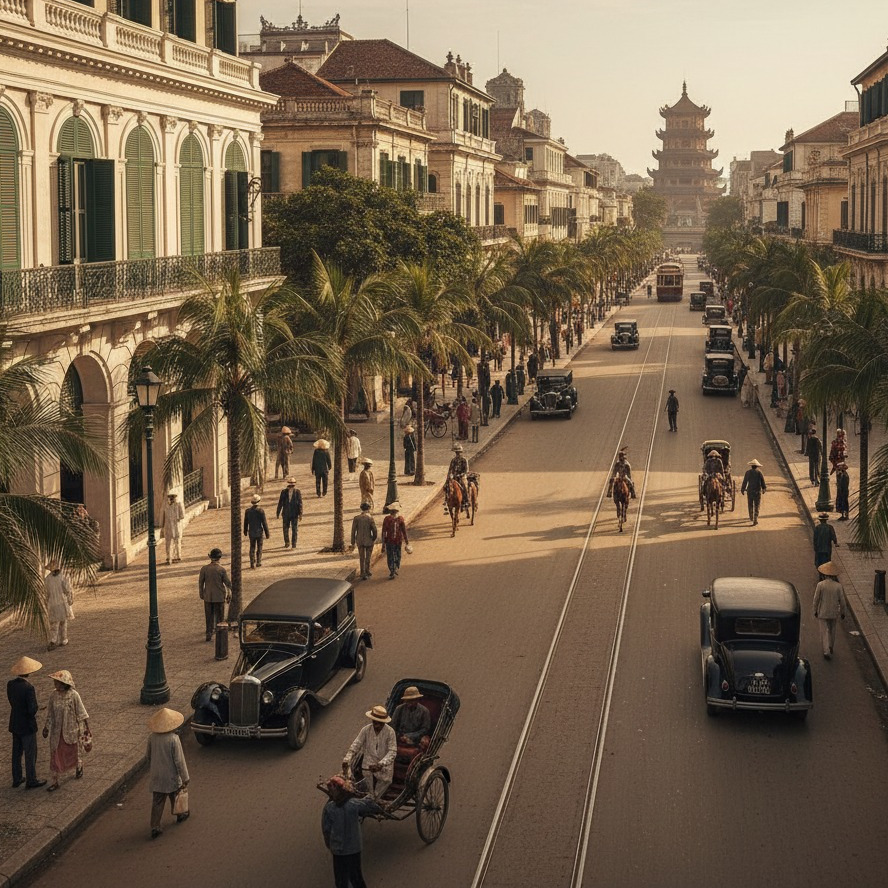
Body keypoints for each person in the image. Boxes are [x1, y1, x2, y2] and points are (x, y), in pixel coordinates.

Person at [321, 774, 382, 888]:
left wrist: (329, 844)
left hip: (338, 849)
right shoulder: (354, 805)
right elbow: (372, 807)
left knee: (340, 879)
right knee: (356, 877)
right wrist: (371, 799)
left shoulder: (329, 808)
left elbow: (326, 829)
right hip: (354, 848)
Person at [42, 669, 90, 791]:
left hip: (71, 731)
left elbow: (82, 713)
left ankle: (79, 766)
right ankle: (55, 781)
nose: (55, 684)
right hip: (57, 733)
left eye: (57, 682)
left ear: (64, 684)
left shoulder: (74, 695)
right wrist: (46, 727)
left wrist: (86, 729)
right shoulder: (53, 695)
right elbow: (50, 714)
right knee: (55, 756)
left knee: (74, 751)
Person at [147, 708, 190, 839]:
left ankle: (155, 826)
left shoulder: (152, 737)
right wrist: (185, 777)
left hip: (157, 775)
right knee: (175, 794)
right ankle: (180, 814)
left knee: (158, 801)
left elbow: (148, 756)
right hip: (170, 774)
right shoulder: (173, 739)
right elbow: (179, 760)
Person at [343, 705, 397, 800]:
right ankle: (371, 797)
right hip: (368, 763)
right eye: (375, 723)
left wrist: (381, 764)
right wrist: (347, 758)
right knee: (366, 782)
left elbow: (392, 751)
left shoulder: (390, 732)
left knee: (386, 780)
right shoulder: (366, 730)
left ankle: (375, 798)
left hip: (384, 764)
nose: (377, 726)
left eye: (380, 723)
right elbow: (356, 745)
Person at [8, 656, 46, 789]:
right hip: (27, 726)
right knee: (30, 754)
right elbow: (32, 709)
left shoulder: (10, 685)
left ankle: (17, 778)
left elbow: (12, 702)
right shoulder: (29, 688)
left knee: (16, 753)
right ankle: (31, 779)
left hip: (15, 723)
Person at [813, 562, 845, 659]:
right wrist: (843, 612)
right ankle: (831, 646)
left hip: (823, 611)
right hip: (833, 612)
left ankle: (826, 651)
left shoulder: (820, 585)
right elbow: (842, 601)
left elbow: (816, 599)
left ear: (825, 575)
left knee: (824, 631)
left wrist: (815, 610)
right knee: (832, 630)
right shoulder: (838, 586)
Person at [198, 548, 231, 641]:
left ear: (210, 557)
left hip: (208, 596)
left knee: (209, 616)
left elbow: (201, 582)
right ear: (219, 558)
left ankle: (209, 633)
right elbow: (228, 583)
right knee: (220, 617)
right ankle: (219, 635)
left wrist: (201, 593)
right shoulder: (221, 569)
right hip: (219, 596)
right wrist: (229, 593)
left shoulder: (204, 569)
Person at [391, 686, 431, 755]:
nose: (409, 703)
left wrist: (411, 736)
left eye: (412, 700)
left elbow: (425, 729)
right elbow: (393, 725)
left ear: (417, 699)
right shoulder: (399, 709)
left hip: (416, 739)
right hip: (399, 737)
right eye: (407, 700)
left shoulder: (424, 711)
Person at [44, 561, 74, 652]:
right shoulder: (63, 576)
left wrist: (46, 603)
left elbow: (46, 593)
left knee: (55, 623)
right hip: (62, 602)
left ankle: (54, 640)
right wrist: (70, 599)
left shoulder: (47, 579)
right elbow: (68, 589)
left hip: (53, 603)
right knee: (62, 622)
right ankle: (63, 640)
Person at [381, 501, 409, 579]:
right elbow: (384, 531)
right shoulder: (391, 519)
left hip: (394, 541)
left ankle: (393, 568)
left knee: (394, 556)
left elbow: (403, 531)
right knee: (394, 555)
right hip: (393, 541)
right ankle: (393, 570)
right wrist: (407, 542)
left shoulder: (397, 519)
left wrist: (383, 544)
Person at [350, 502, 377, 581]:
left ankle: (362, 573)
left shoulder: (356, 518)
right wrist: (373, 538)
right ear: (368, 509)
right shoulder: (370, 518)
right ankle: (367, 570)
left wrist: (353, 541)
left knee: (362, 557)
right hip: (369, 540)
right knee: (368, 557)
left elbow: (353, 530)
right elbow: (374, 529)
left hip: (359, 540)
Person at [276, 476, 303, 549]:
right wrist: (278, 512)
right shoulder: (283, 492)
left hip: (294, 514)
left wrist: (300, 514)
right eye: (290, 484)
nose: (291, 485)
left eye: (292, 484)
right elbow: (280, 502)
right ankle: (287, 542)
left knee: (295, 530)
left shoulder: (297, 492)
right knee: (285, 529)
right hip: (286, 514)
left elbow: (300, 503)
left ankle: (294, 544)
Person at [243, 494, 270, 569]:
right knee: (259, 547)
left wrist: (245, 531)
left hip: (251, 532)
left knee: (252, 547)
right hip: (259, 532)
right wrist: (267, 533)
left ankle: (252, 562)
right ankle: (258, 561)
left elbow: (245, 522)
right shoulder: (260, 511)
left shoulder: (247, 511)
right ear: (259, 501)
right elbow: (264, 523)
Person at [160, 491, 185, 565]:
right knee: (168, 542)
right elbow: (162, 517)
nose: (171, 499)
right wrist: (162, 526)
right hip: (168, 526)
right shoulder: (165, 506)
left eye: (173, 497)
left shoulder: (178, 505)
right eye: (170, 497)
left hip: (176, 525)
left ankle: (177, 556)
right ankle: (169, 557)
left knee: (177, 541)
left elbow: (182, 515)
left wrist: (177, 515)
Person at [741, 458, 767, 525]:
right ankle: (755, 519)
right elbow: (762, 482)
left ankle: (751, 517)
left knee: (750, 504)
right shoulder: (759, 473)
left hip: (750, 491)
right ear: (757, 466)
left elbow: (745, 482)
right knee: (757, 505)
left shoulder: (748, 473)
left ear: (751, 466)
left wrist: (743, 489)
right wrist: (764, 489)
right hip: (757, 492)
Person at [445, 444, 469, 513]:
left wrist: (460, 475)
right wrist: (449, 476)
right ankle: (446, 502)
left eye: (458, 452)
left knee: (464, 487)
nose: (457, 454)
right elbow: (450, 469)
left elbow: (466, 471)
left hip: (461, 477)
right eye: (456, 452)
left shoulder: (464, 460)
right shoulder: (453, 460)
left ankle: (466, 502)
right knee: (446, 487)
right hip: (454, 477)